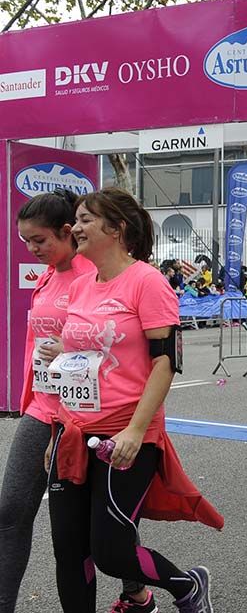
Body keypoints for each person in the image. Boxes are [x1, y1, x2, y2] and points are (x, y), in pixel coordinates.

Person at [46, 187, 221, 612]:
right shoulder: (84, 284)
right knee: (70, 552)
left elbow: (165, 362)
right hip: (72, 430)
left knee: (110, 551)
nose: (76, 227)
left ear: (117, 228)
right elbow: (89, 356)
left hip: (124, 433)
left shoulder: (148, 281)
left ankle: (186, 586)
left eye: (86, 219)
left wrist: (136, 430)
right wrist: (56, 416)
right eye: (77, 218)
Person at [0, 191, 141, 613]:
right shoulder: (46, 276)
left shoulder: (93, 275)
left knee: (99, 524)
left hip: (90, 413)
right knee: (10, 511)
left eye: (39, 240)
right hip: (44, 408)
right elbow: (34, 347)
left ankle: (136, 589)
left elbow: (117, 344)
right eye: (25, 241)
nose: (32, 249)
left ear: (67, 232)